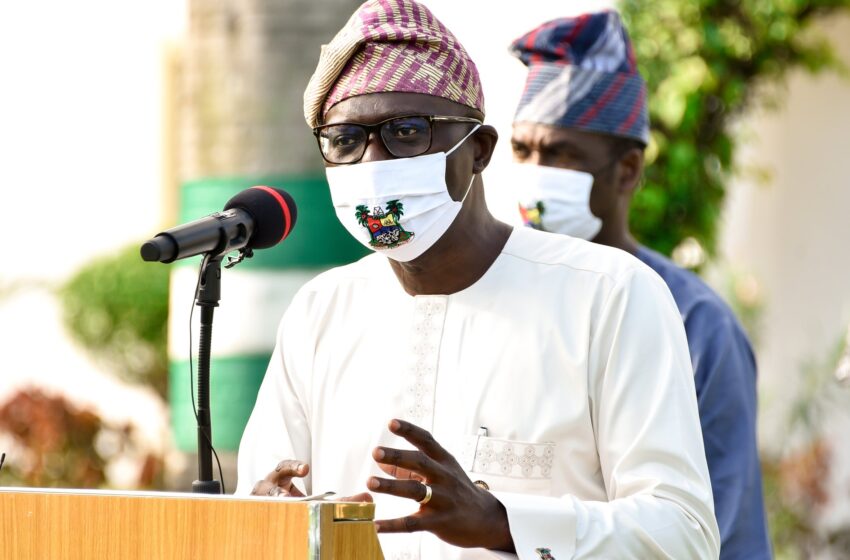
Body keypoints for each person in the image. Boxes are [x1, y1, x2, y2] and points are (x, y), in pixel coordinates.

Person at [236, 1, 720, 558]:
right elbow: (264, 499)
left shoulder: (608, 295)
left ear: (479, 152)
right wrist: (264, 513)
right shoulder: (320, 310)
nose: (373, 161)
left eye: (407, 131)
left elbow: (683, 533)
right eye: (345, 138)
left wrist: (506, 522)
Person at [507, 11, 771, 560]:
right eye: (524, 150)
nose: (536, 172)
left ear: (627, 171)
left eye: (561, 154)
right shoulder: (499, 295)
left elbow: (725, 533)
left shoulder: (698, 325)